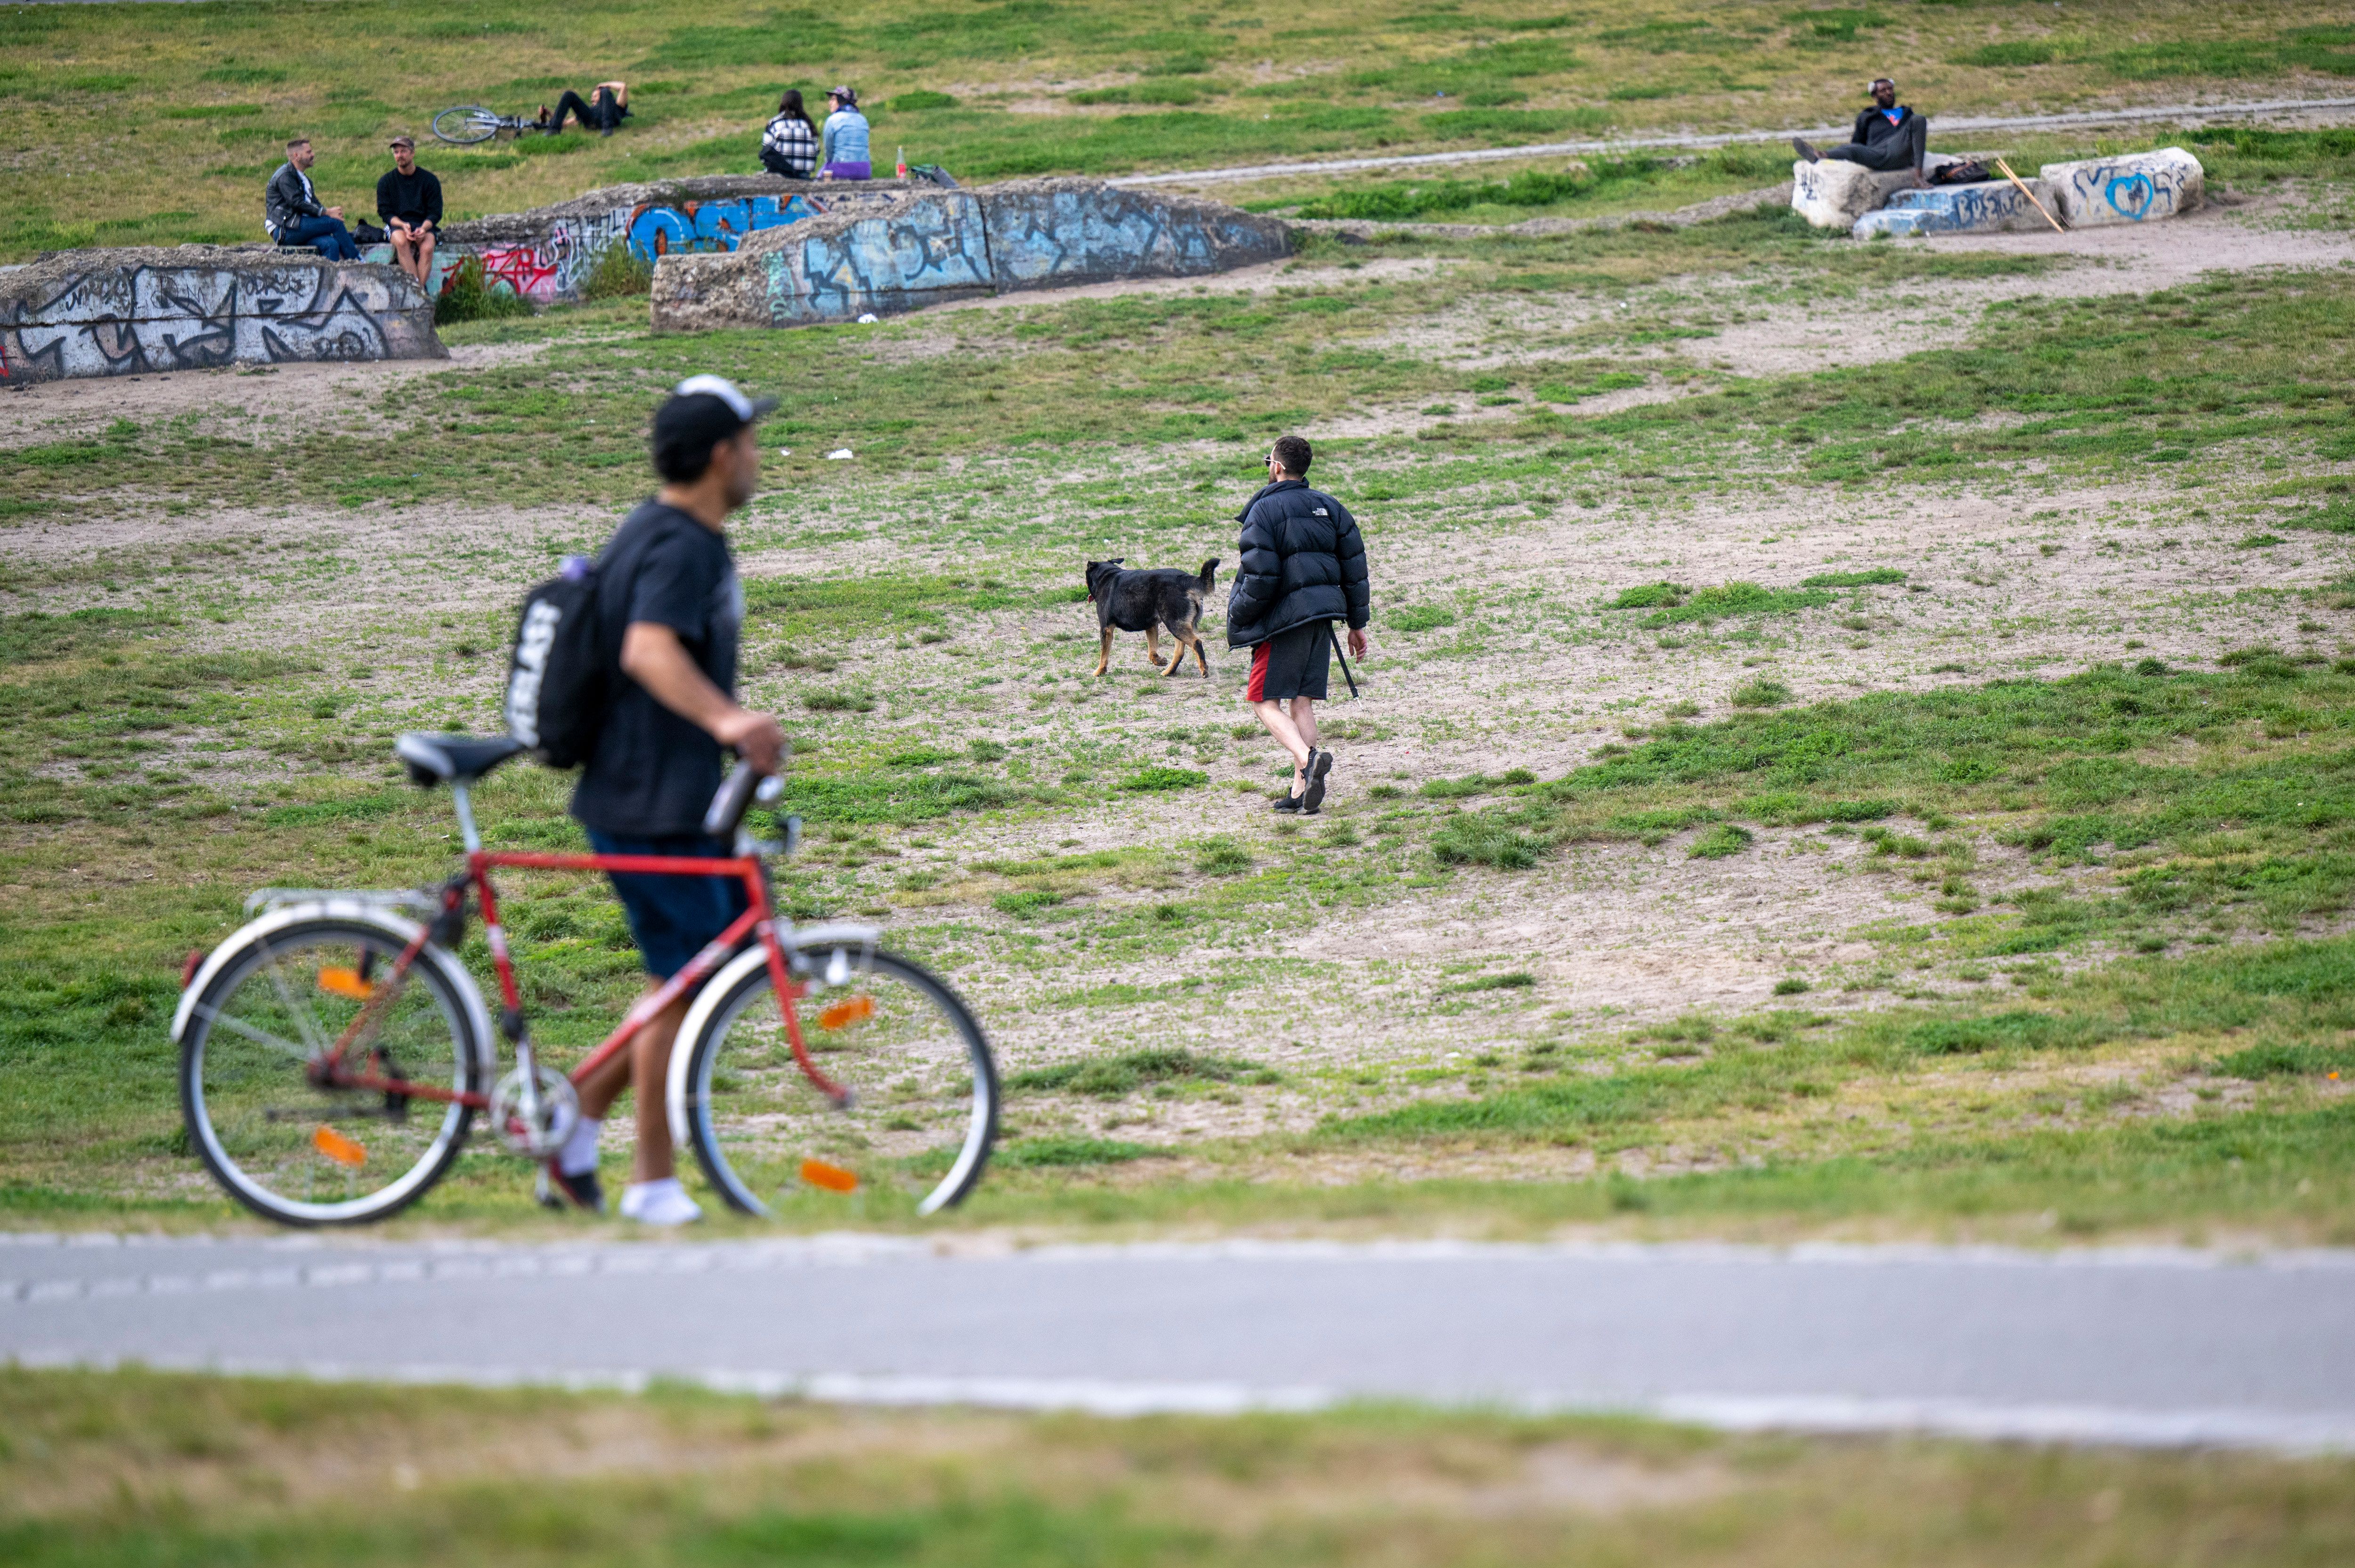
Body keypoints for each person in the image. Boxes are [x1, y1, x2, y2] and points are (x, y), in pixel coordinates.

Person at [545, 374, 787, 1226]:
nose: (760, 457)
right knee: (679, 984)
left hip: (666, 795)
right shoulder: (680, 543)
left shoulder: (669, 533)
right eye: (752, 442)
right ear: (722, 456)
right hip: (649, 801)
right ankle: (651, 1181)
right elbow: (649, 650)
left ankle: (571, 1120)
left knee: (704, 965)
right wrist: (731, 720)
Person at [1226, 434, 1370, 817]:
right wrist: (1357, 624)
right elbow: (1355, 568)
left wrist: (1239, 615)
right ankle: (1302, 790)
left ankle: (1308, 760)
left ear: (1276, 467)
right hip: (1322, 618)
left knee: (1262, 700)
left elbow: (1260, 577)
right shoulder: (1330, 506)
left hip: (1284, 622)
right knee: (1301, 700)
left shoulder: (1264, 512)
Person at [1793, 78, 1929, 186]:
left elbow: (1916, 136)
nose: (1889, 93)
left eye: (1890, 89)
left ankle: (1918, 178)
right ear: (1875, 96)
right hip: (1877, 155)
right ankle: (1820, 154)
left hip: (1899, 150)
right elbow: (1857, 142)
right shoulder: (1867, 116)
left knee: (1919, 119)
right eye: (1883, 91)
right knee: (1853, 148)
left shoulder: (1906, 113)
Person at [264, 138, 358, 260]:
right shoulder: (285, 176)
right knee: (335, 224)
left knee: (331, 244)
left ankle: (331, 278)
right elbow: (297, 203)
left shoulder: (305, 181)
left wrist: (329, 214)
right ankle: (358, 262)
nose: (313, 154)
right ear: (297, 156)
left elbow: (314, 206)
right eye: (309, 152)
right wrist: (327, 213)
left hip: (299, 228)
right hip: (284, 230)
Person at [374, 135, 442, 291]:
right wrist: (403, 225)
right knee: (401, 242)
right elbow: (385, 212)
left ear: (412, 153)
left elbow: (435, 212)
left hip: (423, 223)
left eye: (403, 151)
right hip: (399, 224)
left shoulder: (429, 180)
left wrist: (424, 229)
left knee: (427, 247)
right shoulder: (386, 181)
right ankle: (419, 291)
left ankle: (417, 291)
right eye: (396, 152)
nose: (399, 156)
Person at [761, 89, 820, 179]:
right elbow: (816, 151)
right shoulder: (809, 125)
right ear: (801, 104)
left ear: (783, 103)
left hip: (781, 175)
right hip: (804, 177)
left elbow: (766, 151)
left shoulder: (775, 123)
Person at [541, 80, 630, 137]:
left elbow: (623, 87)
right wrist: (548, 113)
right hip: (590, 120)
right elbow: (565, 123)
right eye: (592, 97)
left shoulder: (616, 105)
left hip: (609, 121)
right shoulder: (591, 110)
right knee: (569, 94)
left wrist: (605, 85)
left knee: (605, 90)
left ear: (603, 97)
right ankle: (554, 130)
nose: (592, 99)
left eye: (596, 96)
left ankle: (607, 129)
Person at [817, 86, 871, 180]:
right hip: (865, 170)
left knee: (819, 179)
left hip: (842, 169)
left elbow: (829, 151)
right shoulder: (863, 119)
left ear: (841, 101)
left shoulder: (833, 120)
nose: (830, 103)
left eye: (833, 99)